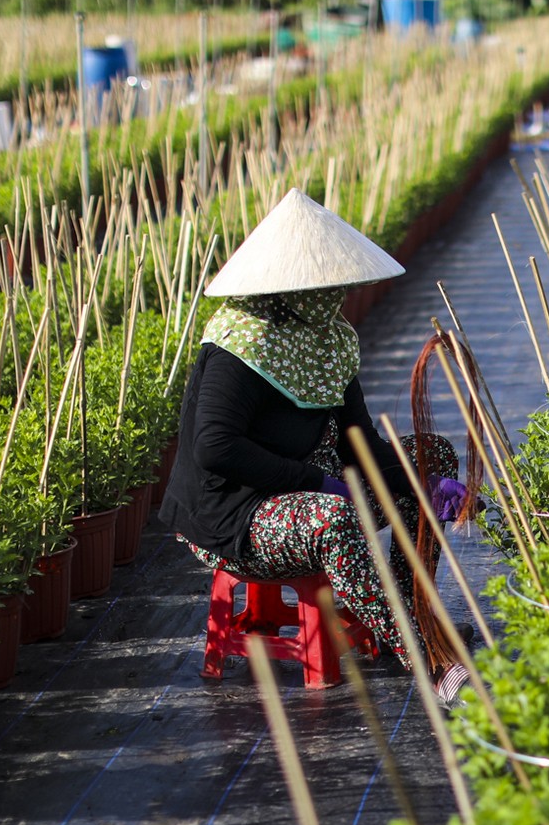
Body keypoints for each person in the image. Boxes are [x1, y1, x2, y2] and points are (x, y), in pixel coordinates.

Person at [162, 188, 470, 699]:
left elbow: (358, 443)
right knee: (335, 518)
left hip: (307, 477)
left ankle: (408, 609)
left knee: (431, 455)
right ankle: (423, 657)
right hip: (236, 509)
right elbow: (214, 447)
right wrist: (316, 482)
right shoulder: (240, 343)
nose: (336, 295)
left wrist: (424, 484)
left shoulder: (328, 339)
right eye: (322, 284)